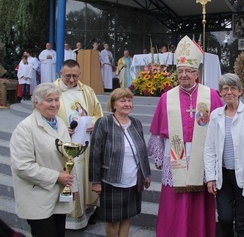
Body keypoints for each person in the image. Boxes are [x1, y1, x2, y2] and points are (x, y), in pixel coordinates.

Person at [147, 35, 224, 237]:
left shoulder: (211, 95)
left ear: (196, 73)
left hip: (202, 156)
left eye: (188, 71)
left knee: (200, 202)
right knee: (174, 203)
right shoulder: (167, 97)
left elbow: (220, 129)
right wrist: (158, 157)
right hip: (175, 156)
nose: (183, 75)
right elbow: (156, 132)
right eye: (180, 71)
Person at [204, 73, 244, 237]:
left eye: (233, 88)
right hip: (223, 176)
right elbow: (210, 148)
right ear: (220, 93)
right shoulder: (216, 115)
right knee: (224, 218)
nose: (229, 92)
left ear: (240, 91)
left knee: (242, 222)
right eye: (225, 89)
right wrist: (210, 177)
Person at [10, 83, 76, 237]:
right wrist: (57, 176)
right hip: (37, 196)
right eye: (49, 100)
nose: (54, 104)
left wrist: (74, 187)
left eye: (56, 99)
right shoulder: (25, 128)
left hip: (59, 194)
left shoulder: (59, 123)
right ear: (37, 103)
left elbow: (70, 158)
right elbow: (22, 166)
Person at [89, 88, 151, 237]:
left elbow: (142, 152)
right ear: (113, 104)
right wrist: (95, 181)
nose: (127, 104)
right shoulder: (104, 123)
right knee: (113, 221)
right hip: (112, 180)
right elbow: (95, 153)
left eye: (129, 100)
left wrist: (146, 174)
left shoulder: (135, 123)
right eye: (122, 101)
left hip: (133, 180)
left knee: (126, 217)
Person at [54, 59, 104, 229]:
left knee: (84, 178)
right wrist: (60, 128)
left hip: (84, 146)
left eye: (75, 76)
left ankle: (88, 212)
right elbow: (42, 114)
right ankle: (65, 215)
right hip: (61, 146)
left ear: (80, 74)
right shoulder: (52, 91)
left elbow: (98, 113)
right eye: (67, 76)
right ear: (60, 73)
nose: (71, 80)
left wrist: (94, 123)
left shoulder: (87, 91)